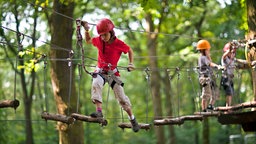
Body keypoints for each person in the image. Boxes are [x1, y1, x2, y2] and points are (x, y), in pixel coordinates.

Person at [81, 18, 140, 132]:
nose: (103, 37)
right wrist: (86, 30)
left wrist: (131, 63)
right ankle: (99, 112)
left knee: (122, 98)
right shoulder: (99, 40)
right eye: (101, 35)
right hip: (101, 72)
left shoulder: (118, 43)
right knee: (96, 83)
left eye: (105, 35)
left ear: (111, 32)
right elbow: (88, 41)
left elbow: (130, 50)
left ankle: (132, 119)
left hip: (113, 73)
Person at [197, 39, 224, 112]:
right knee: (206, 93)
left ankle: (210, 105)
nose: (209, 51)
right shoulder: (202, 58)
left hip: (210, 77)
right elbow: (210, 64)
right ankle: (204, 109)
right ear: (204, 50)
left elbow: (210, 62)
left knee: (215, 92)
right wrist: (218, 66)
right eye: (208, 50)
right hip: (205, 77)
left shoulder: (205, 57)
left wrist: (208, 56)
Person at [220, 43, 236, 107]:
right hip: (225, 78)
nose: (233, 54)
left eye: (234, 53)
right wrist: (229, 50)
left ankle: (228, 106)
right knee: (229, 93)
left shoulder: (233, 60)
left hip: (230, 78)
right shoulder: (225, 59)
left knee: (231, 93)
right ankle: (228, 107)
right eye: (231, 52)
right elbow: (224, 56)